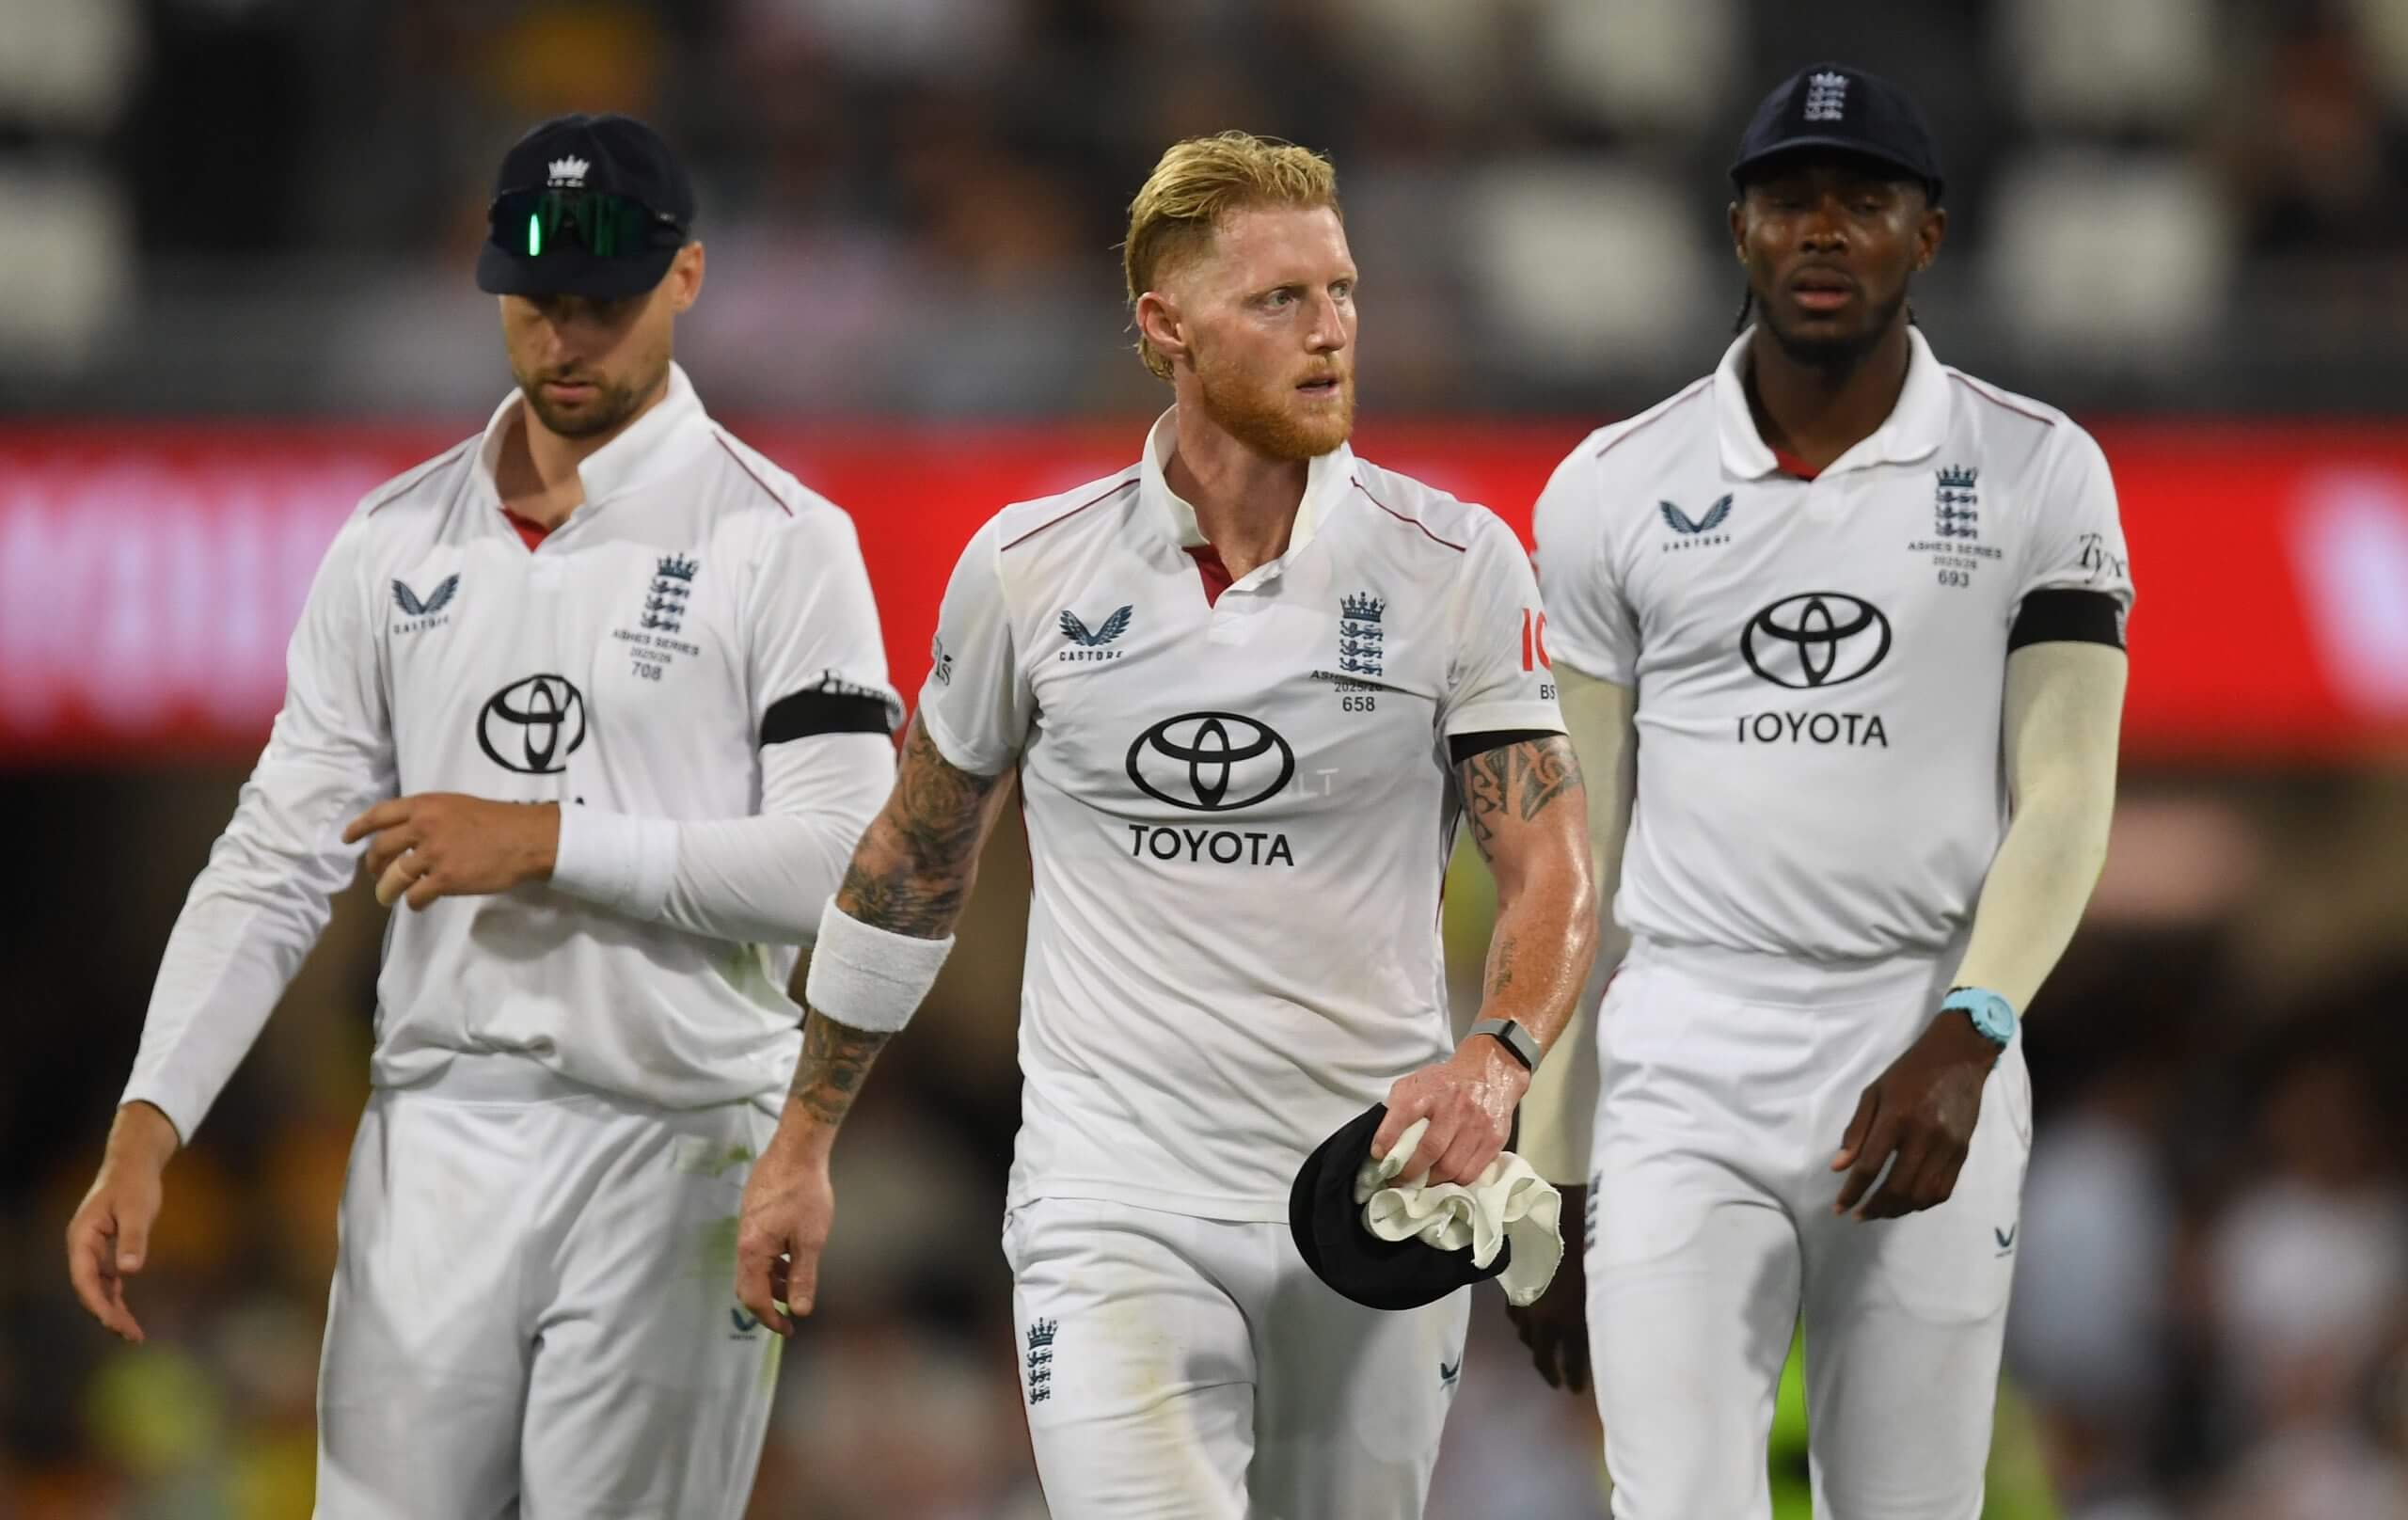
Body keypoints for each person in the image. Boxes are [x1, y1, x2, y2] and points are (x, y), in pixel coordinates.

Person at [735, 130, 1597, 1518]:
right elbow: (909, 870)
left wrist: (1494, 1063)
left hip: (1369, 1192)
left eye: (1343, 292)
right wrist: (803, 1140)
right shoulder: (1026, 570)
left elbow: (1547, 854)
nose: (1332, 334)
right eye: (1281, 301)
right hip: (1112, 1199)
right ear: (1166, 327)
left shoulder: (1454, 564)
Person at [62, 113, 900, 1518]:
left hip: (681, 1140)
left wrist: (544, 841)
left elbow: (841, 868)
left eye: (603, 303)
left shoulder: (784, 539)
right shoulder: (393, 539)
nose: (565, 339)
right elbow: (273, 857)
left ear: (686, 279)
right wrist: (151, 1118)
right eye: (535, 303)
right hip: (434, 1137)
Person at [1513, 65, 2135, 1518]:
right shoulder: (1612, 487)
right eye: (1792, 201)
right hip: (1684, 1053)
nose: (1825, 231)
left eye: (1867, 202)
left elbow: (2065, 795)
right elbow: (1574, 853)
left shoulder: (2042, 470)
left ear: (1929, 235)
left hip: (1924, 1022)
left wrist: (1970, 1031)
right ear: (1738, 228)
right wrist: (1552, 1162)